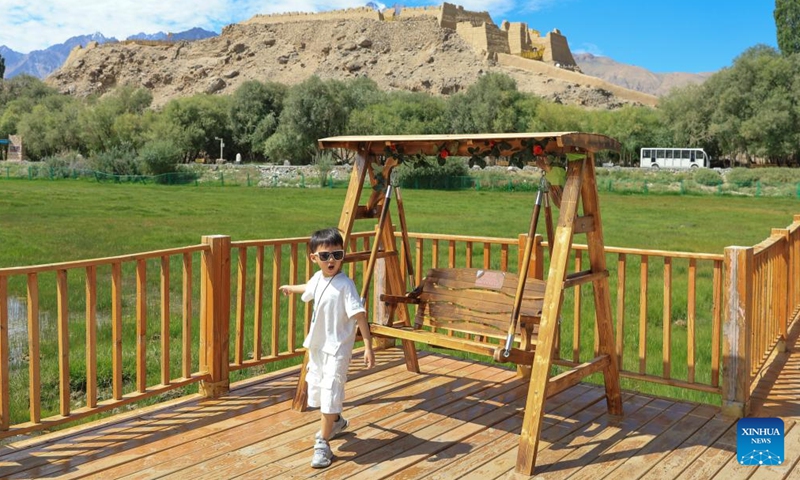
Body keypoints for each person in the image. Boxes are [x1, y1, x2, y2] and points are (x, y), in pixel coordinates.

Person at [280, 227, 375, 469]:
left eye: (336, 254)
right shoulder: (318, 278)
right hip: (318, 347)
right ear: (314, 258)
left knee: (331, 388)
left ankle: (322, 442)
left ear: (343, 255)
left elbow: (359, 315)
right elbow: (309, 288)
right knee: (319, 389)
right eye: (325, 256)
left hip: (338, 349)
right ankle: (336, 422)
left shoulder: (346, 285)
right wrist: (292, 288)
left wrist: (367, 346)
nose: (331, 260)